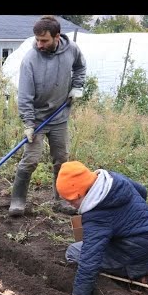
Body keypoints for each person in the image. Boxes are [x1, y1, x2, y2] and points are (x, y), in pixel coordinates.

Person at [56, 161, 148, 295]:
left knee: (73, 252)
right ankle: (145, 263)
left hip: (137, 256)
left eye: (71, 200)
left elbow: (89, 262)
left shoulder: (97, 217)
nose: (70, 205)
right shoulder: (113, 179)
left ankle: (136, 274)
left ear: (81, 193)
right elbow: (142, 191)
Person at [9, 15, 87, 217]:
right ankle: (18, 200)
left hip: (59, 116)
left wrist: (77, 86)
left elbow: (80, 66)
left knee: (61, 159)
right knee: (31, 159)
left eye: (44, 40)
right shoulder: (30, 60)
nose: (39, 44)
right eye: (37, 39)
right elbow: (24, 96)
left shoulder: (72, 49)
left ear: (56, 37)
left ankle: (60, 200)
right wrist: (28, 123)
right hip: (36, 119)